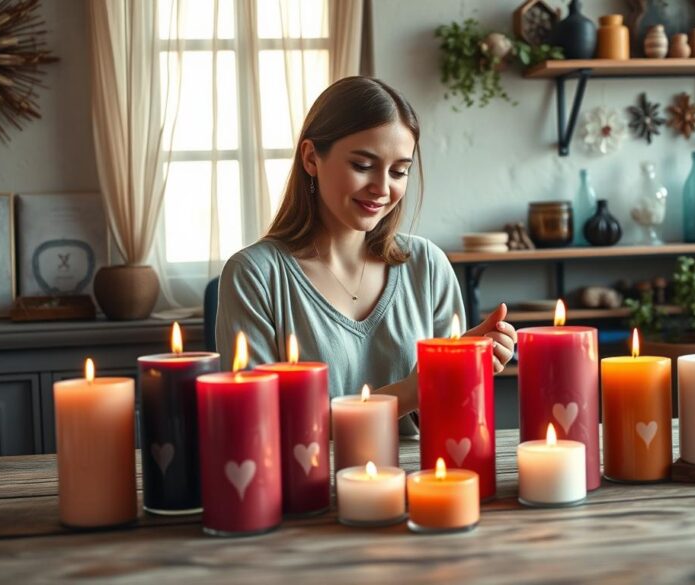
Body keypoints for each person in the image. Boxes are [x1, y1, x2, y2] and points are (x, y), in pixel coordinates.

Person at [216, 76, 515, 433]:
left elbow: (453, 424)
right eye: (362, 165)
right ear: (311, 158)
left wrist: (466, 374)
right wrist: (411, 391)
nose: (382, 188)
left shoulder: (428, 266)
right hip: (308, 488)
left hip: (419, 484)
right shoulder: (254, 275)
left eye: (399, 171)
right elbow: (257, 430)